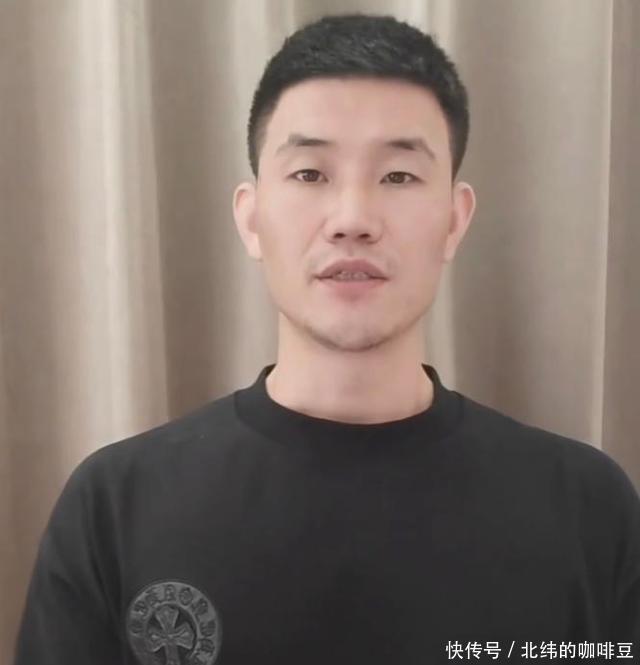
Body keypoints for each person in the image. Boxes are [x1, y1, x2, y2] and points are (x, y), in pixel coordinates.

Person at [13, 12, 639, 665]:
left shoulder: (587, 511)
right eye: (311, 174)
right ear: (251, 218)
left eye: (398, 176)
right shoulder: (115, 506)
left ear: (455, 221)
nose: (352, 219)